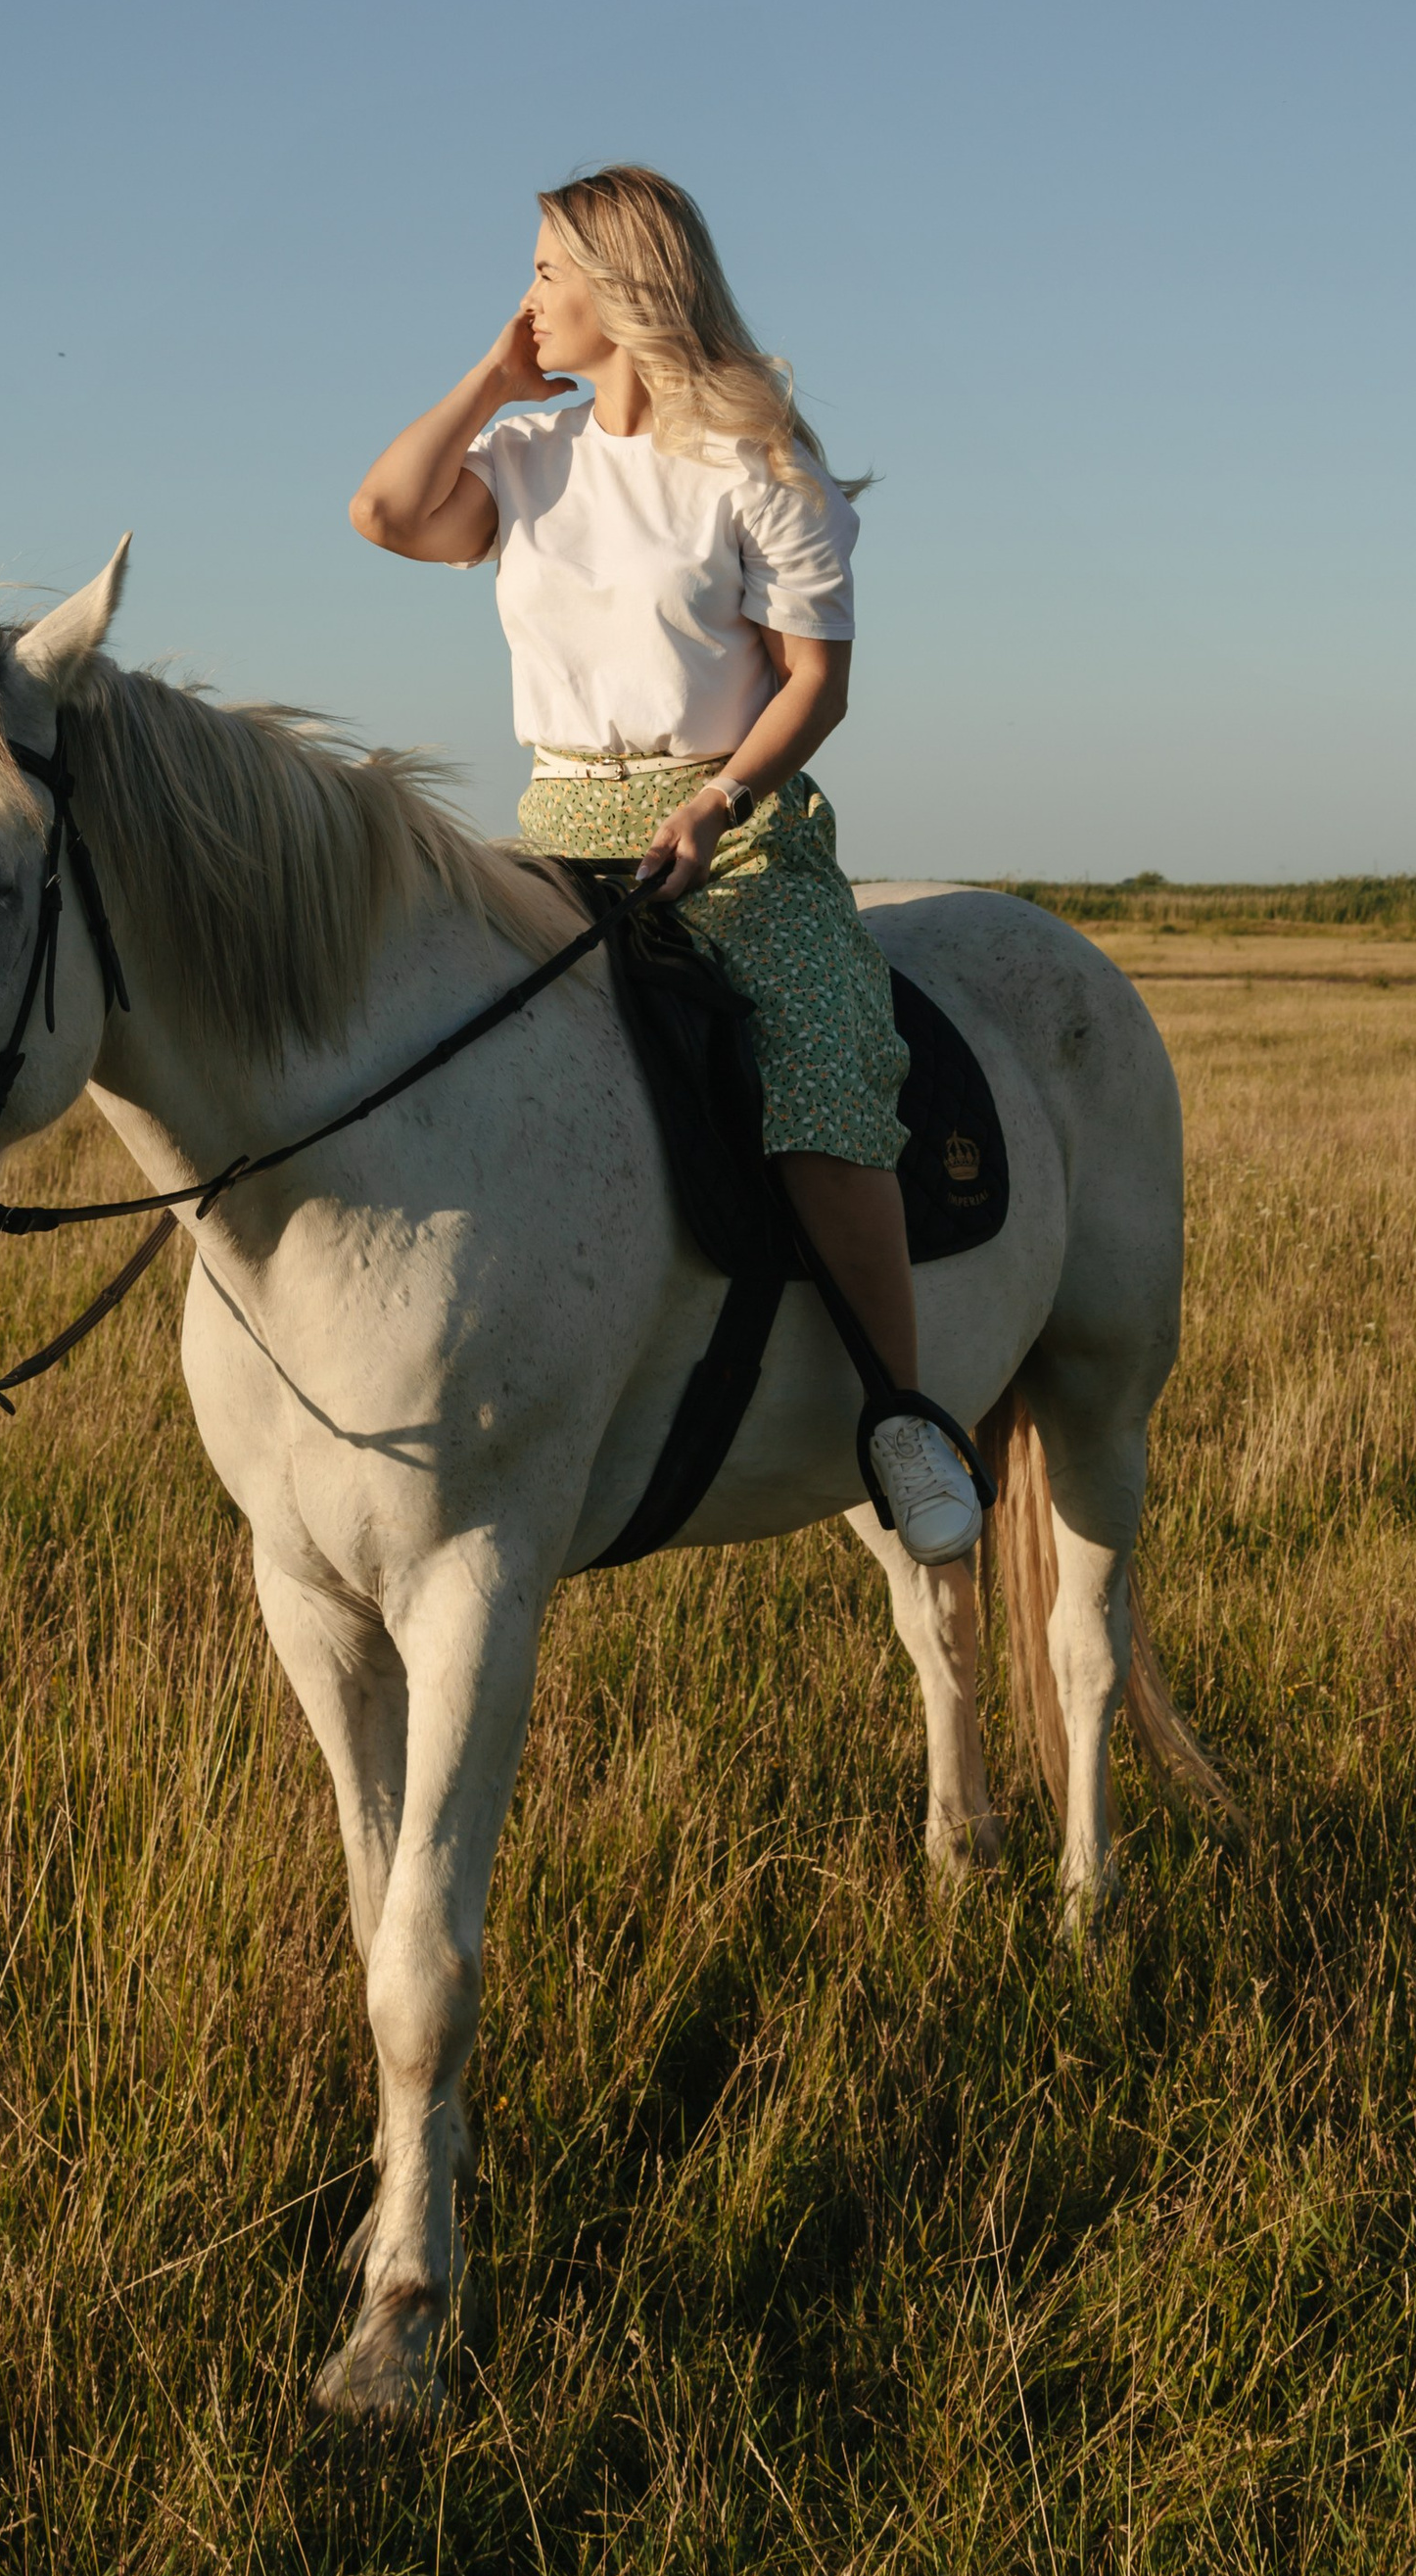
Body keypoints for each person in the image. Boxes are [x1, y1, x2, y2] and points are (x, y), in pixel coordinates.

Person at [349, 162, 982, 1569]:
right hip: (554, 818)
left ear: (622, 288)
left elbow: (815, 684)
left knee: (822, 1060)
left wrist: (720, 804)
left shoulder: (757, 469)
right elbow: (385, 516)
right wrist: (486, 380)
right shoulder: (524, 459)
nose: (525, 298)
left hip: (729, 824)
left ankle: (904, 1414)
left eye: (543, 272)